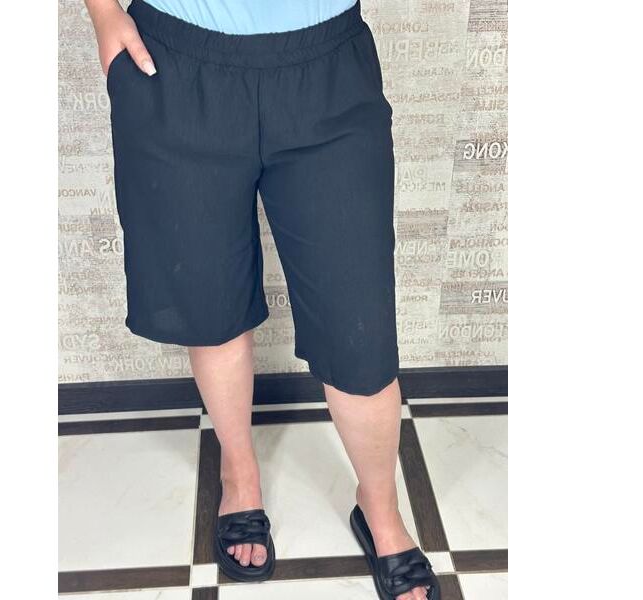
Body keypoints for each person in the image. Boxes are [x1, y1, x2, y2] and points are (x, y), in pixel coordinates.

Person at [83, 1, 440, 598]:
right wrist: (101, 12)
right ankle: (239, 473)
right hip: (175, 63)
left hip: (328, 66)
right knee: (210, 307)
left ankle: (381, 509)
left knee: (360, 330)